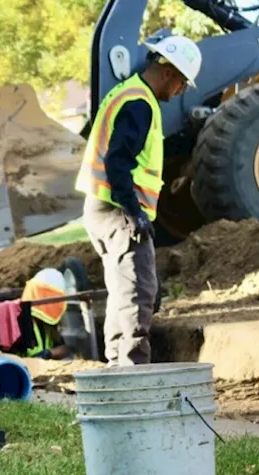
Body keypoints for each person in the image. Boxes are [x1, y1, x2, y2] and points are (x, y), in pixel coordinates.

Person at [75, 35, 201, 366]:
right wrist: (134, 213)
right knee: (137, 295)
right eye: (182, 83)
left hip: (102, 208)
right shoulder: (139, 104)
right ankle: (132, 373)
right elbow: (118, 162)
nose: (181, 92)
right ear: (168, 73)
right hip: (118, 212)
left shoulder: (127, 93)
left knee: (123, 294)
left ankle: (119, 369)